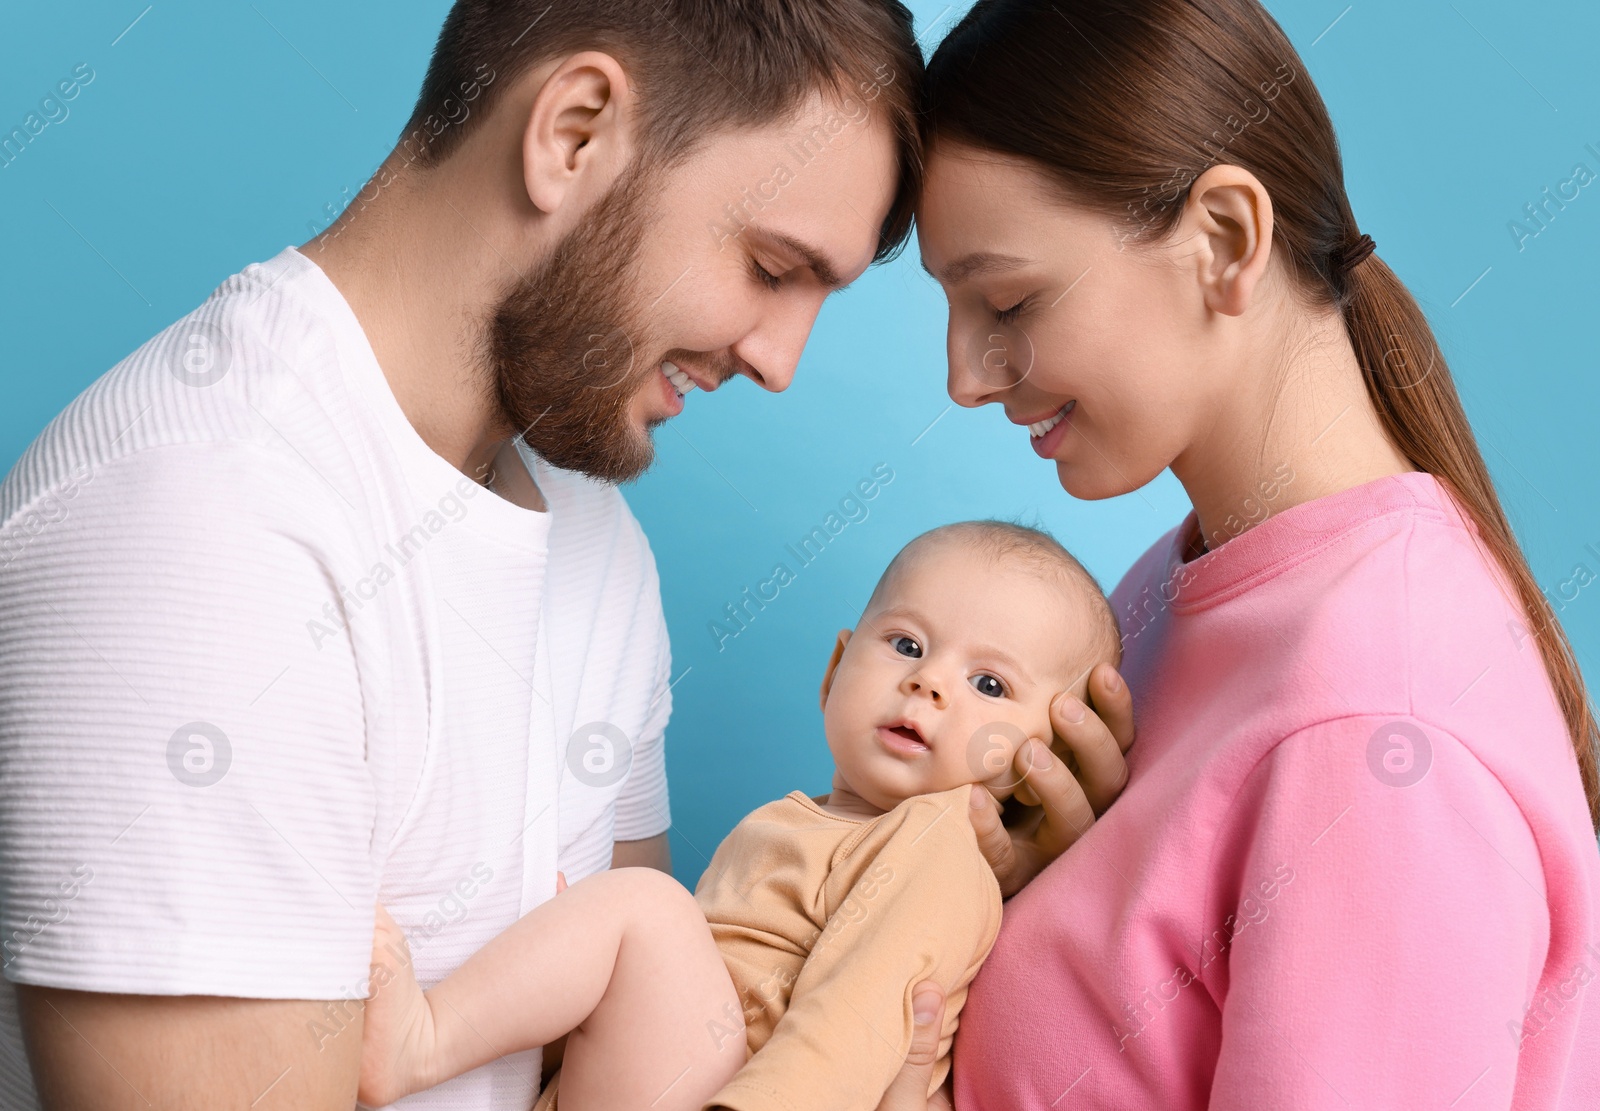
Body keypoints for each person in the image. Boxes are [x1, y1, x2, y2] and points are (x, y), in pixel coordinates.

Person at [0, 3, 1134, 1108]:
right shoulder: (202, 536)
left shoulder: (590, 540)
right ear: (575, 132)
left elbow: (633, 1031)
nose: (781, 359)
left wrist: (926, 904)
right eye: (772, 266)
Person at [885, 0, 1600, 1107]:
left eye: (1009, 299)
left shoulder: (1377, 736)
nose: (965, 377)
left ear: (1224, 239)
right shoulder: (1184, 591)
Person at [356, 521, 1122, 1111]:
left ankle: (420, 1045)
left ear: (1036, 768)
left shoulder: (938, 846)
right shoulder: (802, 821)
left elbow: (856, 1017)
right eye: (907, 643)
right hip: (668, 1077)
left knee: (644, 908)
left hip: (736, 1093)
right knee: (609, 924)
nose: (928, 683)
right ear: (834, 671)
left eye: (989, 684)